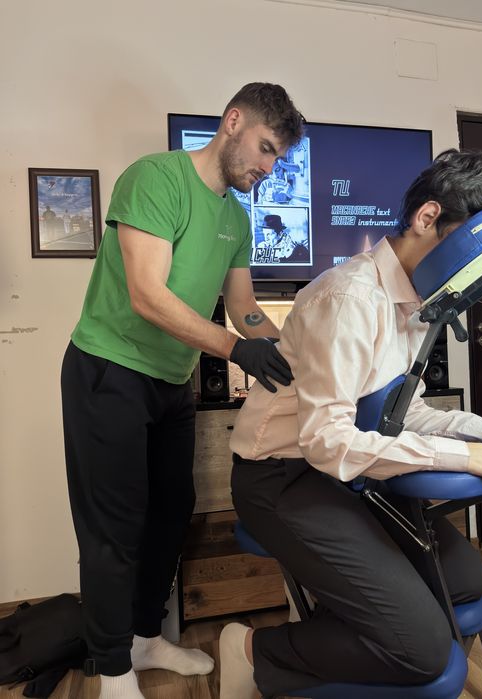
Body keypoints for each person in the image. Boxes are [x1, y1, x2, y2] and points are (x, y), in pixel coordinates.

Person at [221, 149, 482, 699]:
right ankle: (251, 651)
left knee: (464, 582)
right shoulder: (350, 298)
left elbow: (403, 411)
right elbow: (327, 441)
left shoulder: (415, 301)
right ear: (428, 218)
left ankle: (362, 621)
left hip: (347, 476)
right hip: (283, 478)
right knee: (422, 649)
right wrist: (462, 456)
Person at [60, 82, 304, 699]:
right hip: (108, 369)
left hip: (171, 382)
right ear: (234, 121)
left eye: (278, 159)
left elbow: (244, 309)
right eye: (266, 148)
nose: (269, 167)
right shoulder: (156, 179)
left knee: (171, 513)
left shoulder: (236, 217)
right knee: (114, 527)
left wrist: (296, 355)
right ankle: (112, 669)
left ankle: (145, 637)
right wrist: (234, 349)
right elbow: (148, 296)